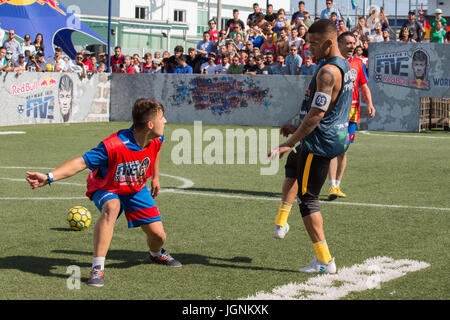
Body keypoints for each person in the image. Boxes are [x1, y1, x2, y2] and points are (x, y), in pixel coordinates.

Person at [26, 99, 181, 287]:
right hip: (106, 187)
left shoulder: (156, 137)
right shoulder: (113, 146)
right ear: (150, 125)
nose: (164, 121)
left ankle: (156, 254)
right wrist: (49, 177)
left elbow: (154, 153)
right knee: (112, 207)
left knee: (158, 237)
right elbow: (81, 163)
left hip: (135, 187)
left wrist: (155, 177)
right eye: (161, 118)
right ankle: (97, 268)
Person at [268, 19, 353, 274]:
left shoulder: (327, 72)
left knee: (308, 200)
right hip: (328, 136)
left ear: (329, 43)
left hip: (319, 141)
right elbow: (327, 109)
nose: (309, 49)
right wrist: (297, 129)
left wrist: (288, 143)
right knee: (293, 170)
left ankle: (325, 261)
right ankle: (281, 222)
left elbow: (317, 114)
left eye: (314, 44)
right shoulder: (343, 66)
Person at [327, 32, 375, 200]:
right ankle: (331, 185)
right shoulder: (332, 63)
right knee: (333, 148)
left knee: (343, 149)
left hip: (352, 111)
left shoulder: (358, 63)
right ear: (339, 44)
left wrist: (369, 103)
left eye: (353, 43)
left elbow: (364, 85)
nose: (352, 46)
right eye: (348, 43)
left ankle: (337, 185)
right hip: (335, 111)